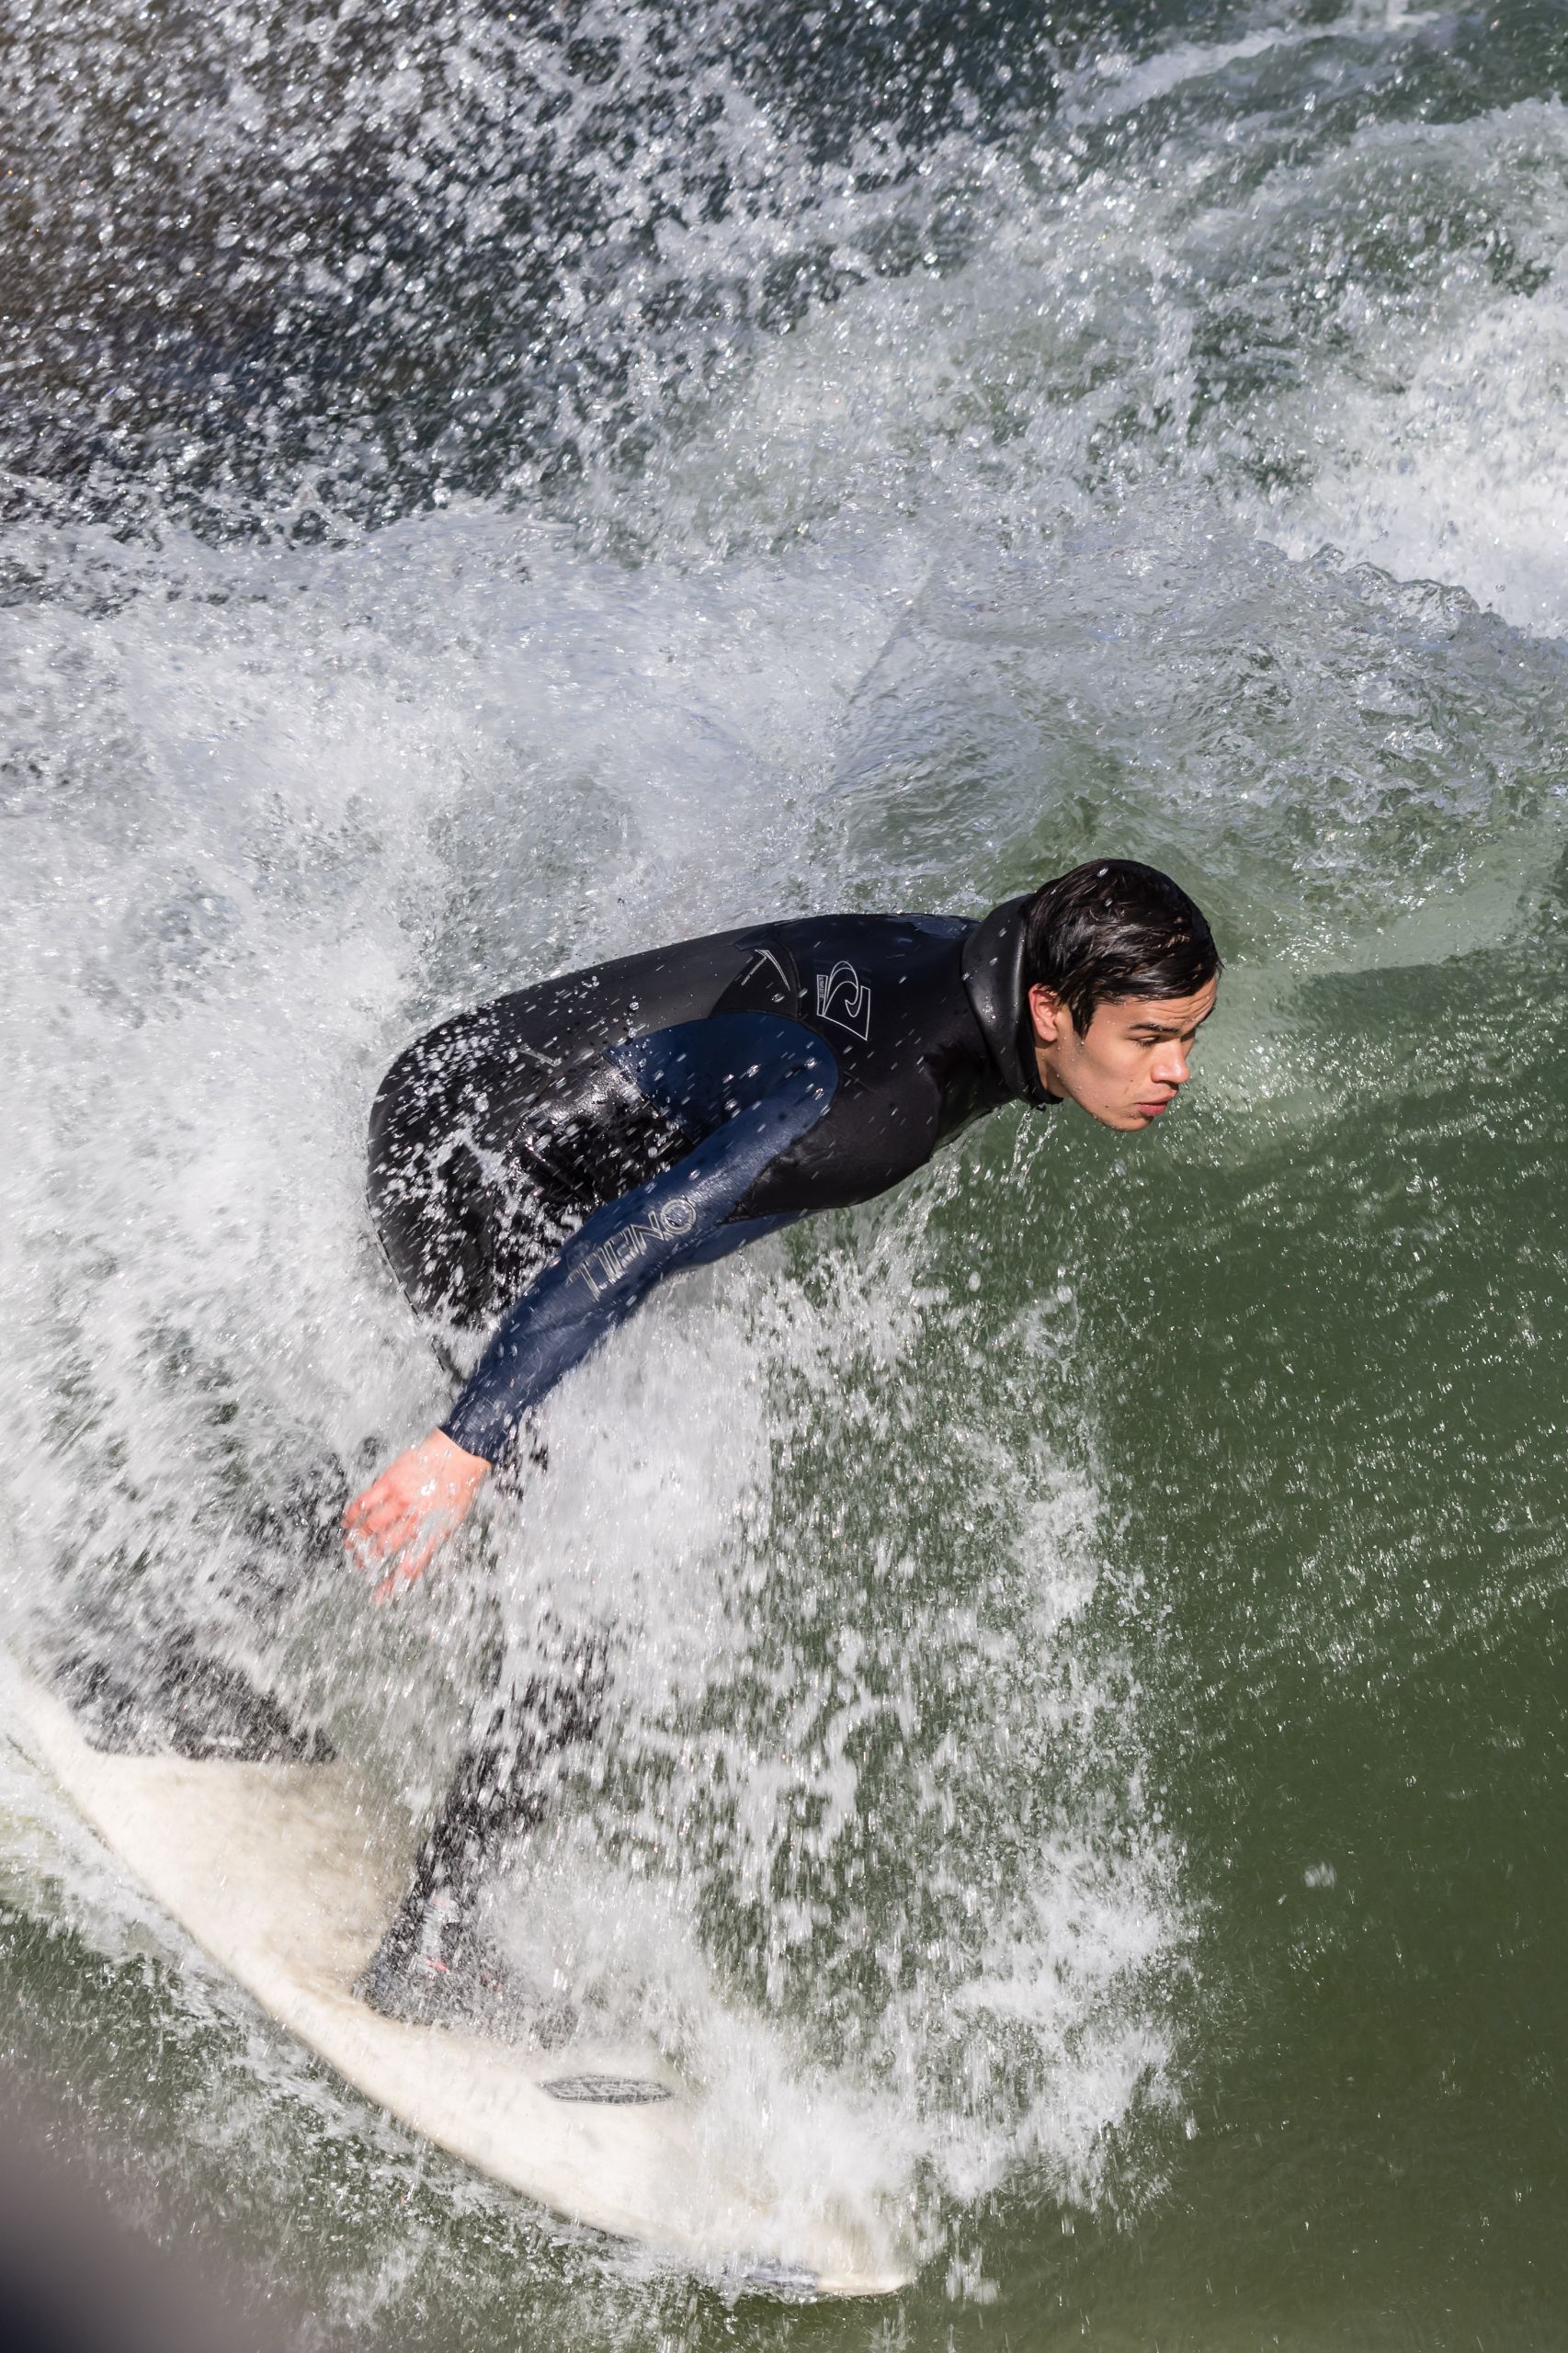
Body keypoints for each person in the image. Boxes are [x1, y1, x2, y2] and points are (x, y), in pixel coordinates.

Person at [343, 860, 1220, 2028]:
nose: (1175, 1071)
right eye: (1150, 1036)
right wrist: (468, 1443)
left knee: (528, 1510)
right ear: (1053, 1012)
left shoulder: (979, 953)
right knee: (586, 1604)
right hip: (467, 1174)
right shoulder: (882, 1105)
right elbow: (635, 1236)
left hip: (460, 1080)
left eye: (1188, 1035)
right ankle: (430, 1956)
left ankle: (176, 1639)